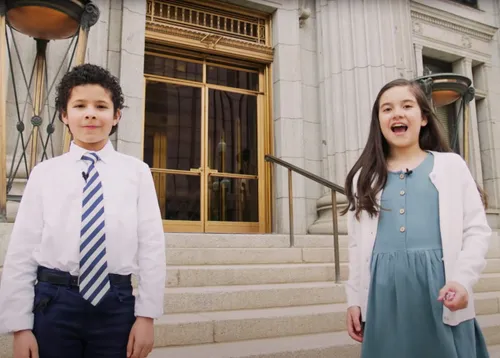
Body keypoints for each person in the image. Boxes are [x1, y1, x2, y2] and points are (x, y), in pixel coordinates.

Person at [0, 64, 166, 358]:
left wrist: (147, 316)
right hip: (54, 301)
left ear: (116, 116)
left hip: (115, 303)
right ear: (65, 115)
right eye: (79, 105)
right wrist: (20, 326)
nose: (90, 113)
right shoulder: (44, 173)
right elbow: (22, 252)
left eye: (101, 106)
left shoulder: (137, 173)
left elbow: (151, 247)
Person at [343, 78, 491, 357]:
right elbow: (355, 245)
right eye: (387, 109)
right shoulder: (365, 177)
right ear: (379, 122)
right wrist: (354, 300)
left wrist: (462, 280)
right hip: (382, 295)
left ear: (423, 118)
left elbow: (476, 230)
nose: (396, 113)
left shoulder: (451, 165)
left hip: (440, 291)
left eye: (407, 105)